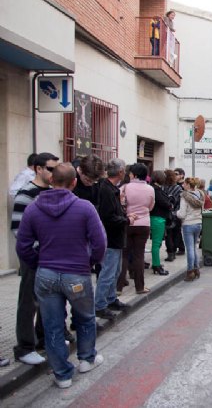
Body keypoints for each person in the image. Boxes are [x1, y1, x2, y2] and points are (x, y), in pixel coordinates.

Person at [16, 163, 107, 388]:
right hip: (77, 274)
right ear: (74, 182)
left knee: (52, 324)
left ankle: (62, 374)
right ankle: (87, 359)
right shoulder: (84, 208)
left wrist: (38, 263)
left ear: (50, 181)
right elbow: (100, 243)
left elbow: (23, 245)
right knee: (85, 318)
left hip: (46, 274)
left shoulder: (33, 209)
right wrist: (89, 262)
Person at [11, 152, 59, 365]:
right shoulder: (26, 193)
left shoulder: (52, 192)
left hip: (50, 256)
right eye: (50, 169)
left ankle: (42, 339)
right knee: (28, 300)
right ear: (38, 169)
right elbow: (18, 229)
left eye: (56, 169)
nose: (53, 173)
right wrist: (38, 249)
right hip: (33, 255)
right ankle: (24, 347)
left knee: (47, 299)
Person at [95, 159, 129, 320]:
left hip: (115, 238)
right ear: (121, 171)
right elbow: (108, 217)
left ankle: (110, 299)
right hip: (109, 238)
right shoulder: (106, 190)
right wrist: (127, 220)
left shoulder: (111, 189)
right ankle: (100, 304)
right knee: (108, 272)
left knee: (114, 271)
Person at [118, 163, 154, 295]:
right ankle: (140, 286)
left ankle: (118, 287)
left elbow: (120, 204)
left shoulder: (125, 187)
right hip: (144, 223)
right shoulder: (150, 189)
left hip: (127, 222)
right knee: (139, 255)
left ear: (134, 174)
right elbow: (151, 206)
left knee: (124, 255)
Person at [178, 177, 204, 281]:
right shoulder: (200, 195)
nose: (183, 185)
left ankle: (190, 272)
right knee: (194, 247)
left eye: (184, 183)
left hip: (188, 224)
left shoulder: (184, 197)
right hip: (198, 223)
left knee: (189, 249)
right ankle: (196, 269)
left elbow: (182, 214)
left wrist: (176, 213)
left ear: (188, 185)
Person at [149, 170, 172, 276]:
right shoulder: (156, 190)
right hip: (157, 218)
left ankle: (156, 264)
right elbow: (165, 203)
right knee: (156, 243)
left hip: (156, 218)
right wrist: (170, 203)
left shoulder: (155, 188)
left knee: (156, 243)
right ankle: (156, 265)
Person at [163, 169, 183, 262]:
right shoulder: (178, 188)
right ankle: (174, 251)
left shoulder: (163, 188)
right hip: (176, 213)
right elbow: (180, 201)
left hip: (166, 214)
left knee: (168, 235)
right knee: (176, 233)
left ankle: (170, 253)